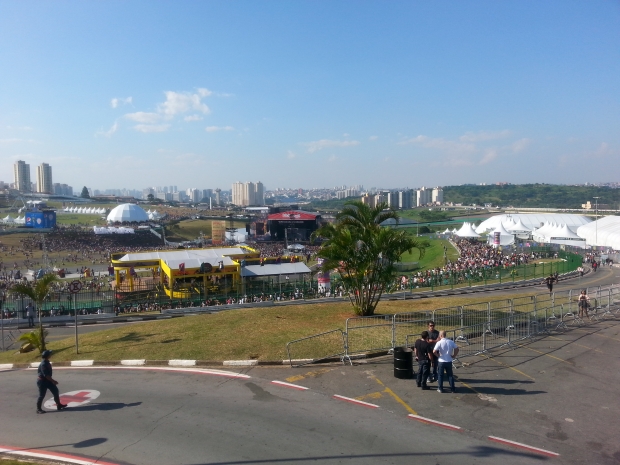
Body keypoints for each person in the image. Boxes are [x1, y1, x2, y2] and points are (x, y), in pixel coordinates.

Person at [36, 350, 68, 414]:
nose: (51, 355)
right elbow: (46, 375)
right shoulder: (43, 364)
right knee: (42, 395)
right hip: (42, 381)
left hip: (48, 380)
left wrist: (51, 381)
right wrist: (53, 381)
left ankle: (59, 405)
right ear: (47, 356)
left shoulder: (47, 362)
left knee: (55, 391)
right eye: (50, 354)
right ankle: (38, 409)